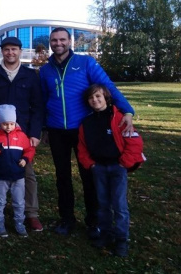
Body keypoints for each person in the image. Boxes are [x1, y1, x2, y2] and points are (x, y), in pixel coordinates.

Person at [39, 27, 135, 236]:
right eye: (54, 40)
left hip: (84, 130)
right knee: (62, 176)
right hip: (56, 130)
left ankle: (94, 220)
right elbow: (44, 100)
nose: (58, 43)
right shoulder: (45, 70)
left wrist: (126, 109)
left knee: (89, 175)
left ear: (70, 41)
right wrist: (44, 128)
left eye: (62, 39)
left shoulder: (85, 63)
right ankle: (67, 219)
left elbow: (108, 86)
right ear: (51, 43)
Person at [0, 36, 44, 231]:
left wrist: (35, 133)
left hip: (21, 135)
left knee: (27, 174)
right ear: (2, 52)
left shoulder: (30, 75)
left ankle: (31, 213)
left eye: (14, 49)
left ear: (20, 51)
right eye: (6, 49)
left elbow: (37, 106)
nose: (10, 53)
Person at [77, 84, 145, 257]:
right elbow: (82, 147)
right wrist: (90, 164)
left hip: (117, 167)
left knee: (119, 205)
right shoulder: (87, 122)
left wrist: (124, 163)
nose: (95, 100)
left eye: (98, 96)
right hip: (98, 168)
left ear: (106, 98)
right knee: (103, 204)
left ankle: (122, 239)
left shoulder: (119, 118)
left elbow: (135, 142)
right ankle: (106, 234)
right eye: (91, 98)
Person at [0, 105, 35, 238]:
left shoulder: (21, 136)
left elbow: (29, 149)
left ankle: (19, 223)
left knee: (19, 201)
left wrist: (25, 159)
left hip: (18, 176)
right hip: (1, 176)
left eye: (11, 124)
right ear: (0, 123)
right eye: (5, 124)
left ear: (15, 122)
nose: (8, 127)